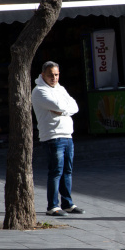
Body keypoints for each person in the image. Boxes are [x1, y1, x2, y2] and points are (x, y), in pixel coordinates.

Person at [31, 61, 84, 217]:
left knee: (67, 171)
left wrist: (63, 111)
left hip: (67, 135)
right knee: (56, 172)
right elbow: (59, 106)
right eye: (50, 75)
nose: (54, 78)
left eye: (56, 74)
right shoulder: (39, 91)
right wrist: (64, 108)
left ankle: (67, 204)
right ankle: (53, 206)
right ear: (43, 75)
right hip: (52, 137)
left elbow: (75, 106)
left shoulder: (60, 88)